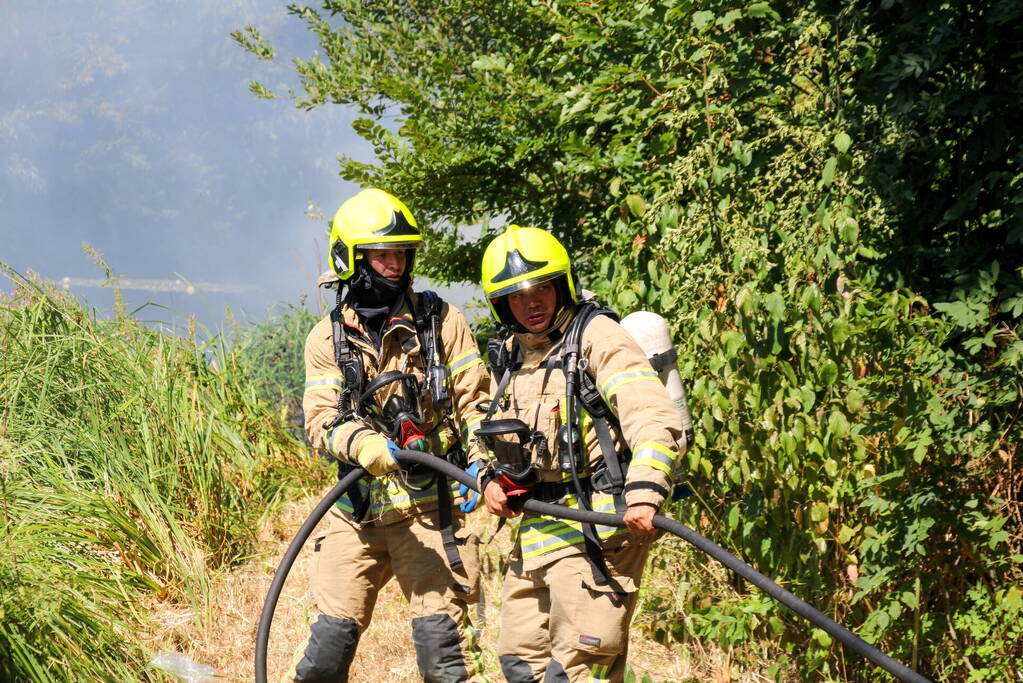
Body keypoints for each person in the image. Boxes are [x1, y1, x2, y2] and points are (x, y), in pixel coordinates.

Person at [475, 225, 686, 683]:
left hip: (599, 529)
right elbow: (485, 423)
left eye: (542, 289)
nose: (531, 304)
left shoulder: (598, 337)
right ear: (501, 305)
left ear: (562, 285)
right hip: (536, 530)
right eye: (516, 296)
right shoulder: (510, 354)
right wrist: (487, 478)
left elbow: (650, 415)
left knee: (578, 671)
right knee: (519, 666)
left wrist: (646, 491)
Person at [297, 188, 491, 682]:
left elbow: (476, 400)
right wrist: (362, 443)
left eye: (401, 253)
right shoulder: (327, 338)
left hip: (428, 509)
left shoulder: (440, 320)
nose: (395, 264)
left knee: (443, 654)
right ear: (350, 259)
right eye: (382, 254)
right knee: (325, 653)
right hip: (356, 511)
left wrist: (481, 461)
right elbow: (320, 418)